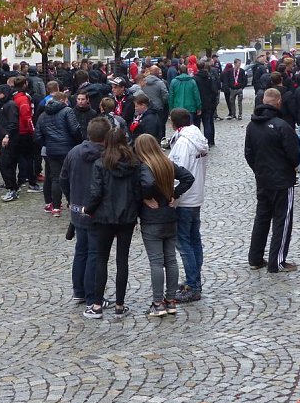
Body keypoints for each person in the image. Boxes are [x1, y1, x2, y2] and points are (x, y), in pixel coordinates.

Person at [83, 128, 142, 319]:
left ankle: (98, 305)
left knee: (101, 259)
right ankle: (119, 304)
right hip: (127, 216)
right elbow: (138, 190)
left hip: (104, 217)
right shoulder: (134, 164)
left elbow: (96, 193)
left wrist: (88, 210)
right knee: (122, 260)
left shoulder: (101, 164)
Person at [135, 133, 194, 318]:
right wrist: (174, 194)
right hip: (169, 217)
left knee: (156, 262)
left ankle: (158, 303)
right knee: (170, 260)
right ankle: (170, 301)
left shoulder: (145, 166)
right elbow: (188, 177)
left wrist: (145, 197)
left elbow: (148, 183)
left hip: (152, 219)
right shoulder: (167, 163)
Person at [245, 88, 300, 273]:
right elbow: (294, 154)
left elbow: (249, 153)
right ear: (278, 102)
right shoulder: (282, 126)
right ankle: (277, 261)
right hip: (282, 180)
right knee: (282, 220)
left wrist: (258, 170)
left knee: (261, 218)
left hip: (263, 179)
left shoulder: (252, 126)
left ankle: (255, 257)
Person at [61, 117, 110, 309]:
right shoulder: (106, 156)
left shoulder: (73, 152)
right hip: (97, 211)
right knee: (94, 254)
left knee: (81, 250)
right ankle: (92, 296)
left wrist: (71, 199)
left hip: (77, 209)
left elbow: (63, 178)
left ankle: (79, 291)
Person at [168, 108, 209, 302]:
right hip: (196, 196)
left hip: (184, 199)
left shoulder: (183, 143)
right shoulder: (197, 136)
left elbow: (178, 173)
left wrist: (172, 197)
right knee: (193, 241)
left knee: (184, 243)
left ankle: (193, 284)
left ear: (173, 123)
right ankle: (194, 278)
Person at [36, 91, 82, 216]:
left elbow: (38, 135)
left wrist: (48, 143)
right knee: (72, 178)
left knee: (56, 178)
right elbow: (75, 129)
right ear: (62, 100)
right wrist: (78, 142)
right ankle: (72, 203)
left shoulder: (43, 115)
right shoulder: (67, 111)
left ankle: (56, 207)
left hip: (51, 150)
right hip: (68, 149)